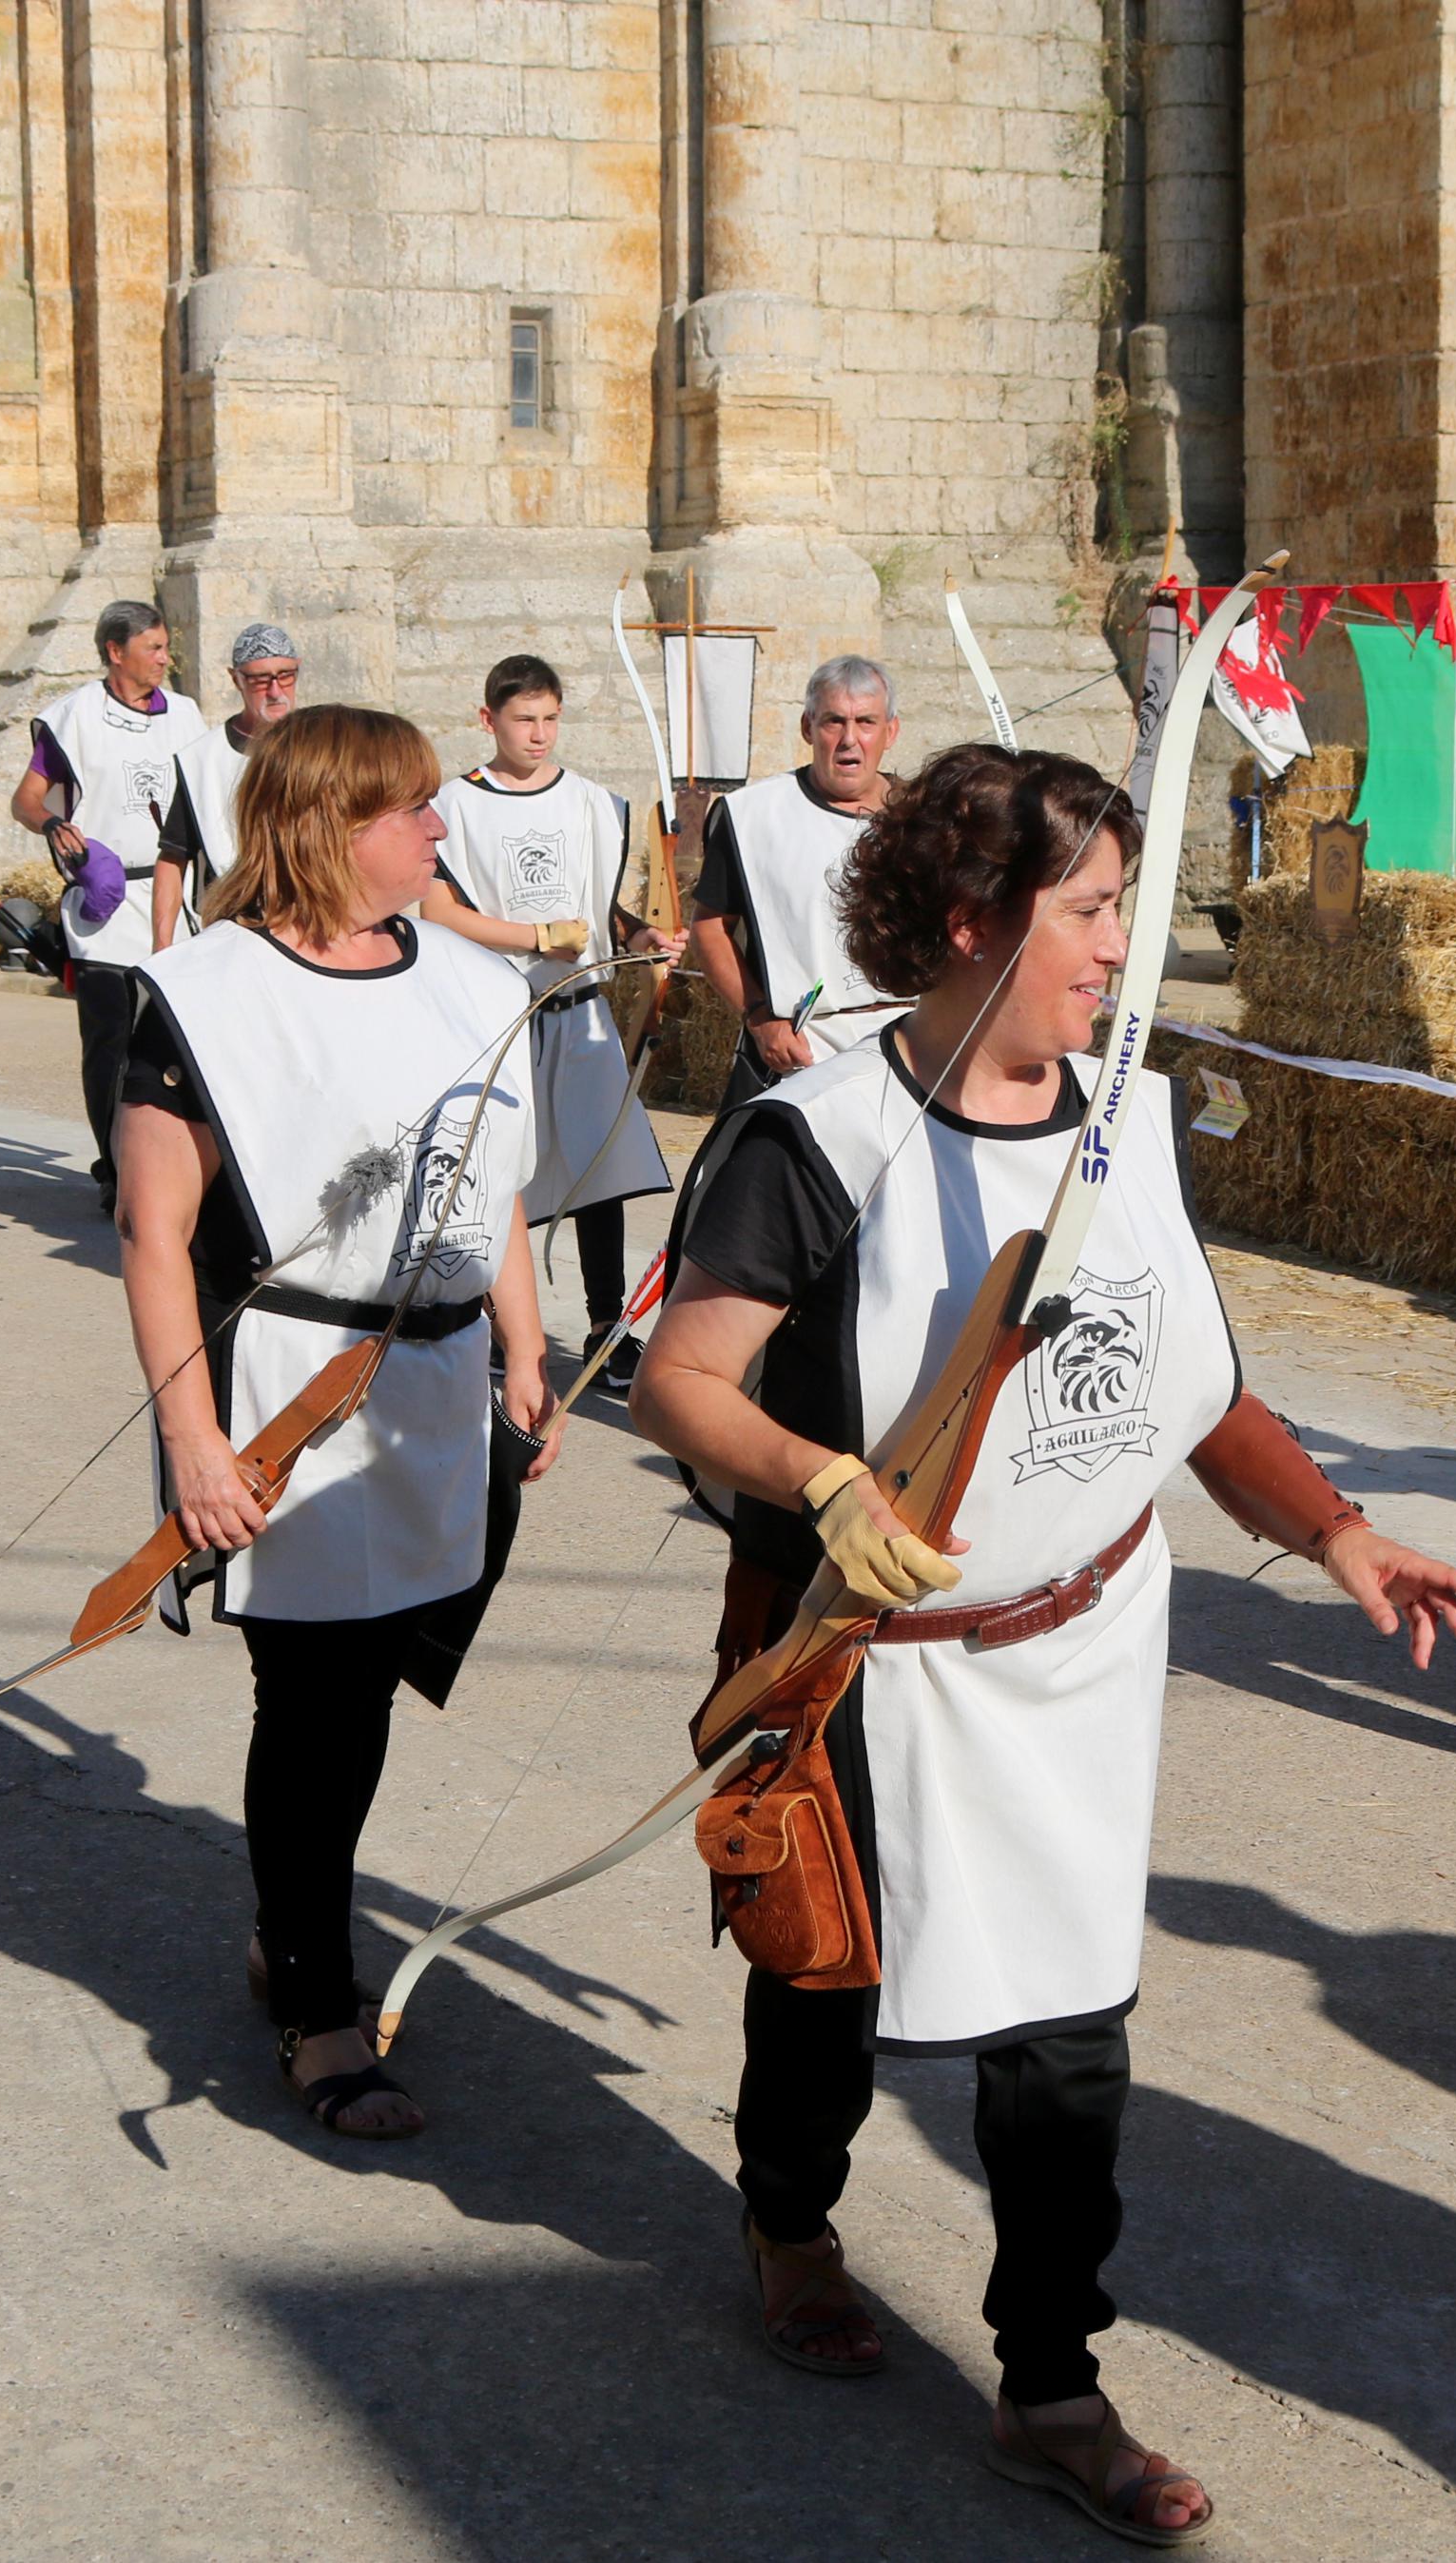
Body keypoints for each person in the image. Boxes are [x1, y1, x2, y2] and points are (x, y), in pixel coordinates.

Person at [631, 742, 1456, 2542]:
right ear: (975, 924)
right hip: (886, 1660)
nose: (1121, 946)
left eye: (1119, 907)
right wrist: (820, 1482)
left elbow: (1191, 1388)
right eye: (1092, 911)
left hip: (1087, 1646)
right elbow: (681, 1379)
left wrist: (1333, 1532)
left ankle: (1049, 2384)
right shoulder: (821, 1138)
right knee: (829, 1987)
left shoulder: (1128, 1117)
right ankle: (788, 2219)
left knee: (1065, 2042)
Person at [116, 703, 558, 2142]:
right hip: (286, 1386)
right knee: (309, 1702)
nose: (441, 830)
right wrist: (190, 1441)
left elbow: (487, 1179)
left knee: (365, 1691)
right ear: (326, 825)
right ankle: (313, 1995)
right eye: (414, 810)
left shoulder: (463, 982)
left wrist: (526, 1345)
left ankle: (287, 1933)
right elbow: (151, 1228)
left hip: (436, 1388)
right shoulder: (203, 991)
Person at [419, 653, 677, 1388]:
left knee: (599, 1170)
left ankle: (606, 1326)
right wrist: (535, 937)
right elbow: (439, 911)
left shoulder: (590, 802)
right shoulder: (455, 804)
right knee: (504, 1172)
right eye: (522, 719)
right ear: (487, 719)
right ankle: (503, 1320)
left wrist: (639, 938)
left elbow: (598, 911)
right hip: (500, 1015)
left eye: (550, 718)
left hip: (579, 1011)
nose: (538, 734)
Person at [13, 602, 206, 1215]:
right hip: (105, 901)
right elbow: (25, 800)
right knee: (111, 1045)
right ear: (115, 651)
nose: (165, 658)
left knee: (178, 1043)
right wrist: (51, 825)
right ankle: (113, 1167)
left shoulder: (185, 714)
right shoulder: (72, 718)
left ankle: (178, 1162)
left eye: (165, 645)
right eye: (152, 647)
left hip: (173, 894)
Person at [687, 656, 902, 1109]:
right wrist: (760, 1018)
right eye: (833, 722)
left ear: (890, 732)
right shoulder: (750, 816)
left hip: (910, 1045)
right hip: (802, 1052)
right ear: (807, 727)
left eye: (866, 722)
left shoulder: (927, 817)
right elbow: (709, 927)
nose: (849, 739)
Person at [155, 619, 306, 945]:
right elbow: (173, 857)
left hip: (310, 923)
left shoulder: (324, 747)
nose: (276, 691)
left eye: (285, 675)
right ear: (236, 679)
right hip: (232, 929)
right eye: (259, 680)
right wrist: (162, 948)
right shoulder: (203, 760)